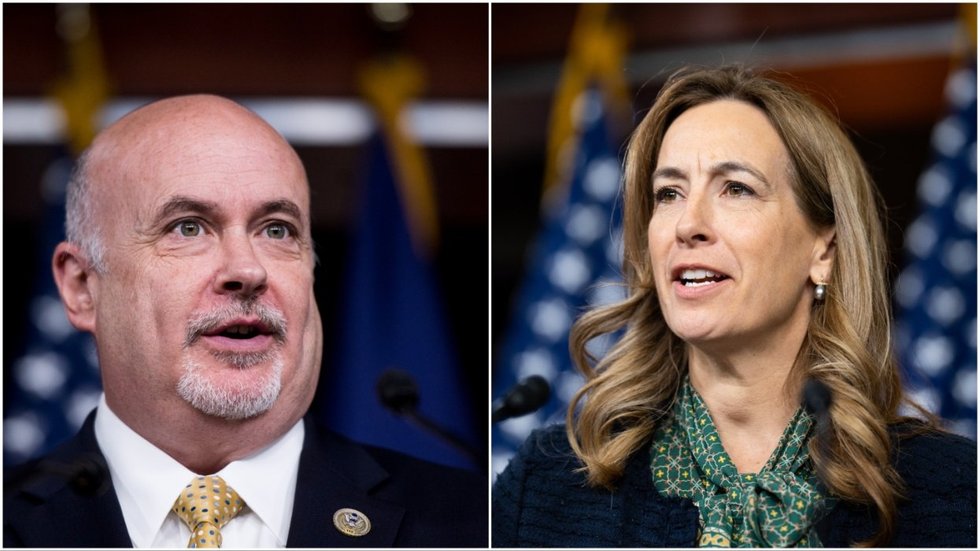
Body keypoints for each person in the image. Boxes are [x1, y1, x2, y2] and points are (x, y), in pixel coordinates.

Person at [492, 66, 976, 547]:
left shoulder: (952, 493)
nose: (688, 224)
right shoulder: (545, 488)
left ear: (823, 251)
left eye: (736, 188)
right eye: (669, 193)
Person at [4, 95, 487, 548]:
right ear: (82, 287)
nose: (247, 270)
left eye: (277, 230)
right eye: (188, 227)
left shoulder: (478, 524)